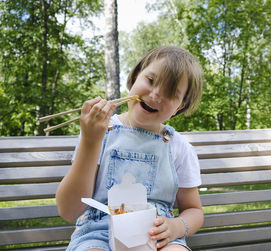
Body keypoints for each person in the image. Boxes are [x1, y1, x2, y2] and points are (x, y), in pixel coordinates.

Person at [56, 45, 204, 251]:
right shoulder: (99, 132)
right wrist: (90, 142)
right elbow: (68, 210)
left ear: (180, 106)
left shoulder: (179, 147)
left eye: (171, 92)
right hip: (99, 232)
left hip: (158, 238)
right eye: (151, 81)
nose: (155, 94)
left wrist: (176, 226)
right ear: (135, 77)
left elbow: (194, 210)